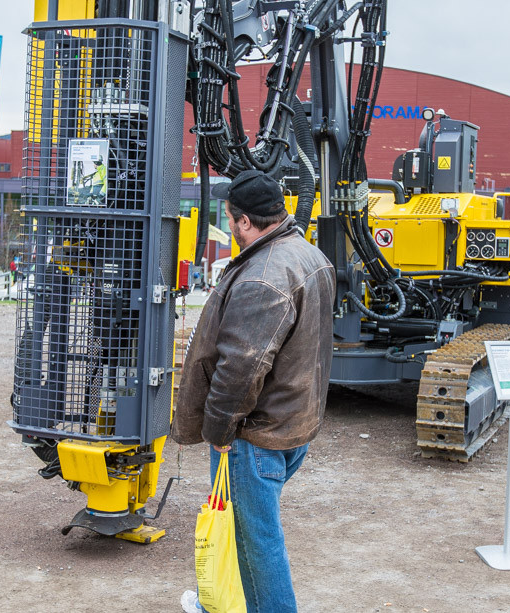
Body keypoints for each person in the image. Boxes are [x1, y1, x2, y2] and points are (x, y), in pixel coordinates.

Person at [173, 169, 335, 613]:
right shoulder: (310, 256)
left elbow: (240, 370)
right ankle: (223, 604)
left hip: (252, 437)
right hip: (291, 426)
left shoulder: (261, 277)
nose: (228, 228)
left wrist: (220, 432)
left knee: (258, 542)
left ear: (245, 221)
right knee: (248, 534)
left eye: (230, 219)